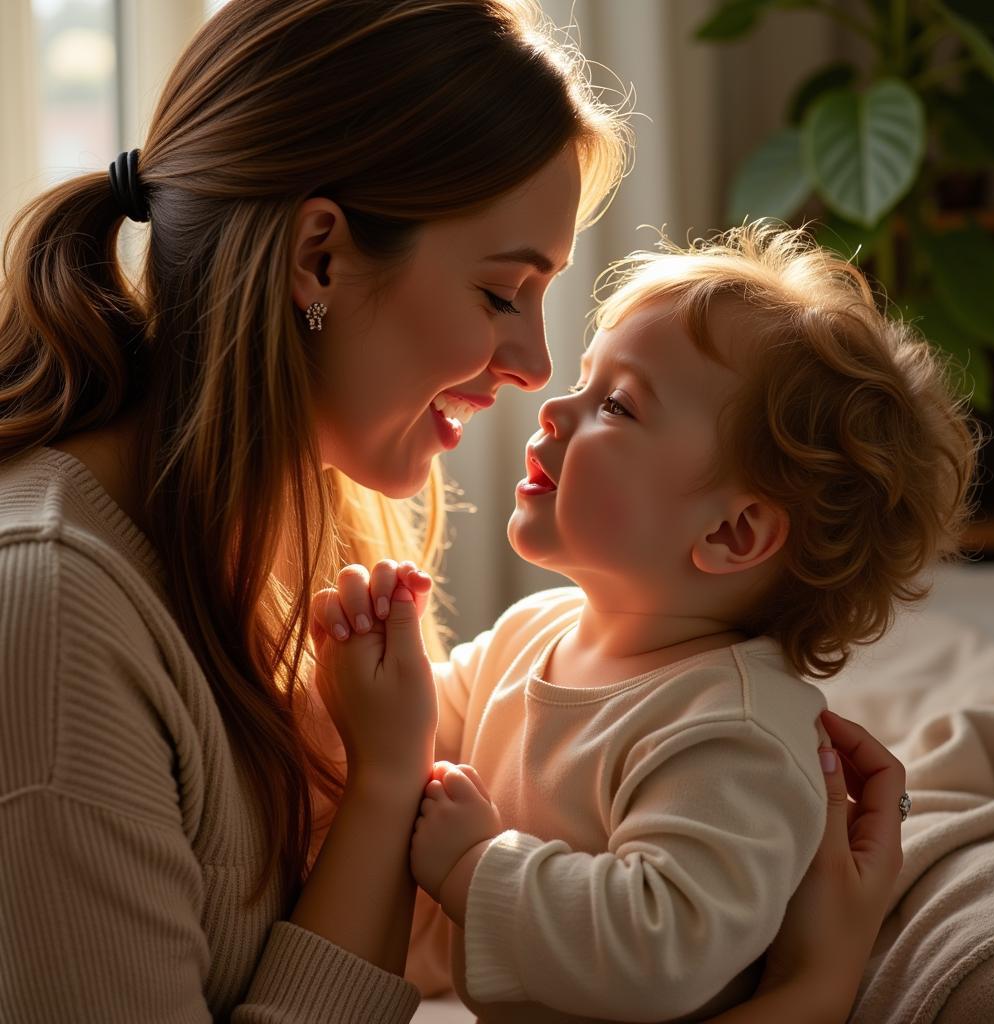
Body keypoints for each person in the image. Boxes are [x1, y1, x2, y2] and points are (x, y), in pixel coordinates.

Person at [0, 1, 630, 1020]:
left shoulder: (308, 504)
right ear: (319, 258)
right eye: (503, 293)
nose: (534, 367)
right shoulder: (53, 619)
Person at [321, 222, 976, 1022]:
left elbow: (659, 946)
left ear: (731, 534)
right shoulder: (537, 631)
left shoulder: (735, 730)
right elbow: (416, 739)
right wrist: (369, 670)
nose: (557, 407)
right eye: (588, 380)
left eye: (618, 406)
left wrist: (474, 864)